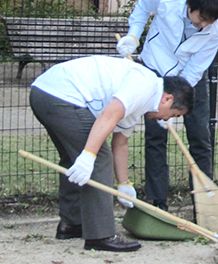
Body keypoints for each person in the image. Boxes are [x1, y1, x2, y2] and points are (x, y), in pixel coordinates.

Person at [29, 55, 194, 252]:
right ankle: (101, 236)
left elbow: (121, 143)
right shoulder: (144, 85)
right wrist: (90, 155)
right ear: (168, 99)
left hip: (43, 92)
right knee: (98, 158)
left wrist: (124, 184)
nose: (168, 120)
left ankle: (72, 224)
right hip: (61, 95)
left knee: (74, 158)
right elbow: (109, 115)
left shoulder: (142, 101)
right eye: (173, 115)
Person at [116, 0, 218, 212]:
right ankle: (158, 201)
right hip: (155, 69)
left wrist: (176, 98)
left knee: (200, 136)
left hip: (191, 77)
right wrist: (133, 36)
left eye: (210, 21)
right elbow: (141, 8)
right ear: (190, 5)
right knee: (156, 136)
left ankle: (204, 203)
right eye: (201, 17)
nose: (204, 24)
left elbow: (198, 65)